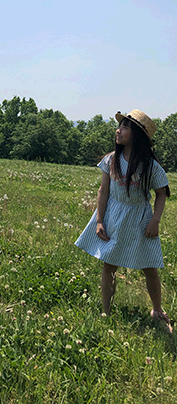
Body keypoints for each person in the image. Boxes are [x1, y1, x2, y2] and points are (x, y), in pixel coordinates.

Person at [75, 109, 171, 330]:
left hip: (140, 218)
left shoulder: (149, 166)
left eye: (125, 127)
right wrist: (99, 220)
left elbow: (161, 193)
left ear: (137, 134)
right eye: (120, 126)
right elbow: (103, 191)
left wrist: (155, 220)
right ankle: (106, 311)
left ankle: (157, 310)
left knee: (150, 267)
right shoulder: (111, 160)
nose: (118, 130)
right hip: (115, 218)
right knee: (109, 265)